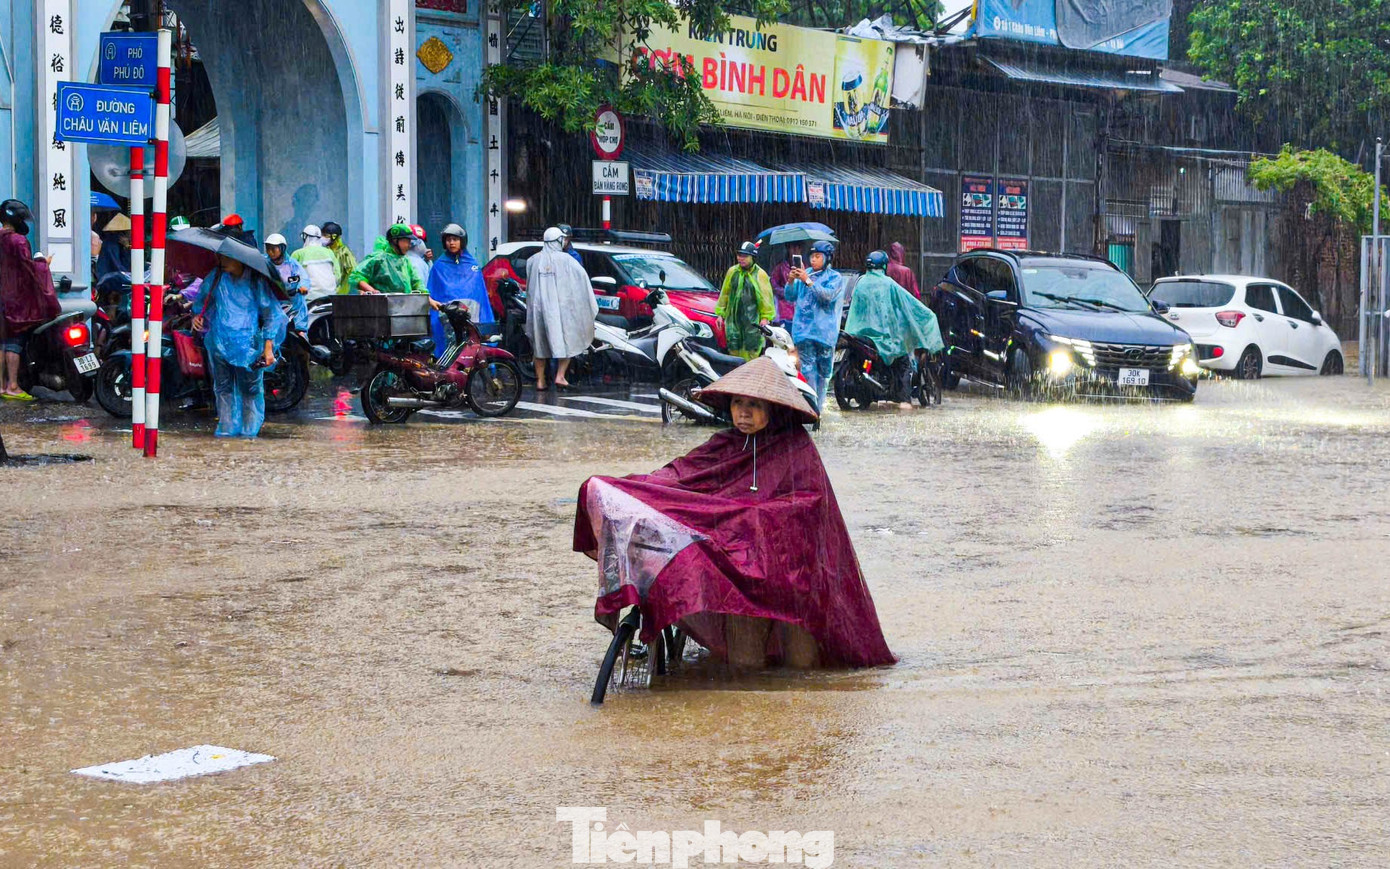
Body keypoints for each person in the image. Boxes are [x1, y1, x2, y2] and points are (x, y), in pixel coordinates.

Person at [574, 356, 896, 672]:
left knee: (803, 666)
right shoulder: (724, 445)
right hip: (735, 562)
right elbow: (681, 476)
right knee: (745, 662)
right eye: (737, 403)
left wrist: (752, 518)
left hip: (789, 571)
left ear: (773, 409)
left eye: (754, 405)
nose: (743, 412)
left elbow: (809, 509)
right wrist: (633, 490)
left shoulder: (797, 449)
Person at [192, 254, 288, 438]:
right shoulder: (216, 277)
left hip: (248, 345)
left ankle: (249, 432)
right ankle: (227, 428)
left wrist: (268, 347)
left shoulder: (255, 281)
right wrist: (197, 316)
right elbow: (203, 301)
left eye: (227, 258)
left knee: (250, 389)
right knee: (222, 387)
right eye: (221, 258)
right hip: (219, 342)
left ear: (240, 259)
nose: (222, 262)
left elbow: (271, 315)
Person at [845, 250, 944, 408]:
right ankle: (904, 401)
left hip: (859, 334)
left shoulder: (861, 282)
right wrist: (927, 315)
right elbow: (910, 300)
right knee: (903, 360)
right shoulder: (889, 282)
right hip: (882, 336)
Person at [0, 200, 60, 401]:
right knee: (14, 344)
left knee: (1, 343)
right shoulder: (18, 241)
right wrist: (43, 263)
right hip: (16, 300)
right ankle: (13, 386)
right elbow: (29, 269)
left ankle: (1, 386)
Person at [524, 226, 595, 389]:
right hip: (560, 309)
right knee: (568, 340)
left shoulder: (532, 260)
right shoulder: (567, 260)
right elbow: (582, 281)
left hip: (537, 310)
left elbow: (529, 287)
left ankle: (540, 381)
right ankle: (560, 376)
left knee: (539, 345)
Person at [784, 240, 844, 412]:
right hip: (804, 333)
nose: (813, 260)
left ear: (827, 258)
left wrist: (808, 280)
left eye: (818, 256)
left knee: (824, 374)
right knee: (808, 371)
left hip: (824, 334)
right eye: (811, 256)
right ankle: (812, 409)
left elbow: (827, 296)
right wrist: (790, 280)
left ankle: (819, 406)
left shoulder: (835, 278)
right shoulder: (805, 273)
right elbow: (790, 296)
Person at [425, 223, 492, 357]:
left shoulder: (472, 264)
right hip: (447, 316)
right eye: (448, 240)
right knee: (449, 347)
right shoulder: (439, 266)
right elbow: (434, 291)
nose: (451, 243)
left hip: (471, 314)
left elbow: (479, 293)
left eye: (455, 239)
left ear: (462, 241)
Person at [715, 241, 775, 361]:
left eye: (745, 256)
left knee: (751, 349)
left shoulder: (760, 274)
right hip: (733, 321)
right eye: (739, 255)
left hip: (752, 322)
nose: (740, 258)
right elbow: (725, 294)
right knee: (733, 348)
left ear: (752, 257)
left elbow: (766, 298)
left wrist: (765, 317)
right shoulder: (732, 272)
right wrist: (720, 314)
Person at [349, 224, 430, 299]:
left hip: (404, 307)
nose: (409, 245)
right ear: (395, 241)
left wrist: (427, 299)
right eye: (406, 241)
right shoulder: (379, 259)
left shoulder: (405, 261)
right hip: (381, 307)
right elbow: (356, 276)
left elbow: (416, 282)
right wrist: (372, 291)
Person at [265, 233, 307, 333]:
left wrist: (302, 287)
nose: (270, 252)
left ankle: (301, 333)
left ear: (282, 248)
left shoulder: (292, 264)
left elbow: (303, 277)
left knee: (300, 303)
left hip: (290, 301)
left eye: (274, 249)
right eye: (268, 248)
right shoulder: (264, 262)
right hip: (271, 300)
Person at [290, 224, 342, 301]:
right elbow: (338, 277)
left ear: (305, 237)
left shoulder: (298, 254)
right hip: (331, 297)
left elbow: (290, 277)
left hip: (308, 298)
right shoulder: (329, 252)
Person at [768, 241, 805, 323]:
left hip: (802, 307)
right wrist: (786, 292)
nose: (795, 251)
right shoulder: (780, 267)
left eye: (798, 248)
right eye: (792, 248)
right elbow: (773, 284)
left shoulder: (806, 268)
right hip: (785, 308)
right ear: (788, 249)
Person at [94, 213, 133, 284]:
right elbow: (117, 265)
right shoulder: (111, 244)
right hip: (108, 279)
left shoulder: (120, 245)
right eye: (129, 231)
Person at [322, 221, 357, 295]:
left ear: (334, 236)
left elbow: (353, 273)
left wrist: (343, 290)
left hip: (341, 293)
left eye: (326, 235)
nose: (323, 238)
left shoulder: (344, 253)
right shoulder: (325, 251)